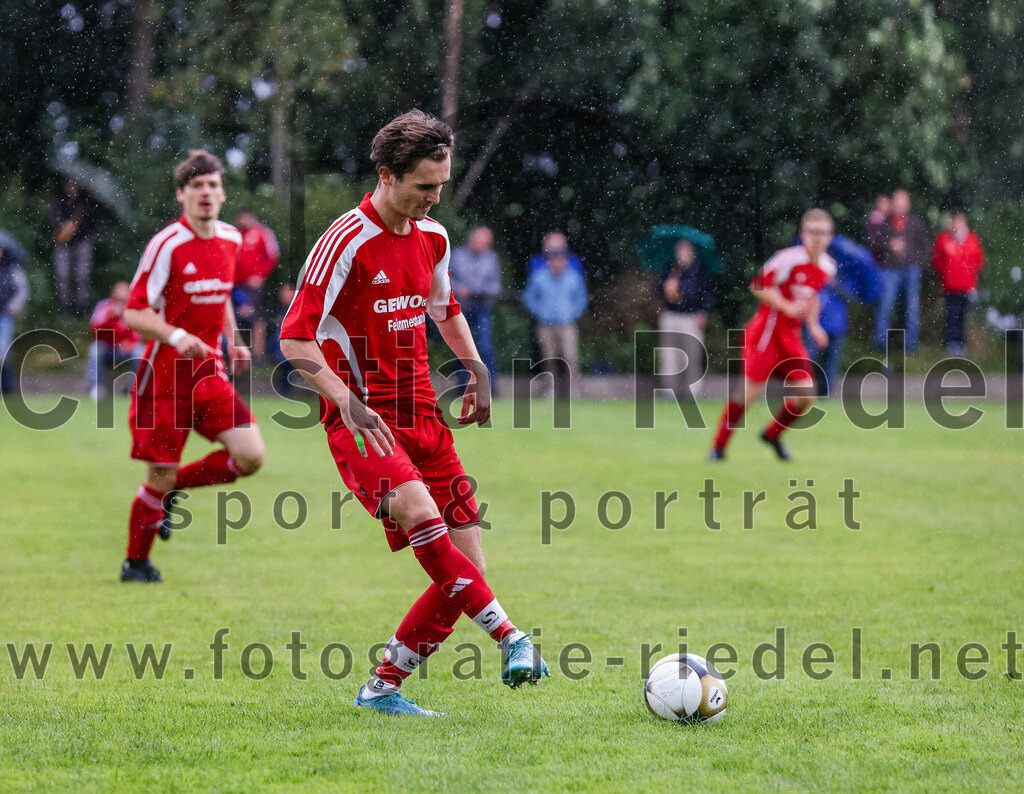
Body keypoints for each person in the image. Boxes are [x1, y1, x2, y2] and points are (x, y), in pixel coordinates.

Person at [280, 109, 549, 717]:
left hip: (424, 413)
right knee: (424, 519)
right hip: (364, 418)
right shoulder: (344, 242)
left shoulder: (434, 237)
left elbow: (444, 307)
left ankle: (381, 689)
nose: (434, 197)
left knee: (465, 571)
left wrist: (475, 368)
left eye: (441, 185)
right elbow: (294, 341)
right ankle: (512, 635)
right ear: (386, 175)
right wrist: (343, 400)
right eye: (424, 186)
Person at [120, 150, 265, 584]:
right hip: (164, 378)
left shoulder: (231, 240)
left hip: (210, 373)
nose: (206, 193)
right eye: (197, 186)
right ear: (182, 194)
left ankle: (172, 491)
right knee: (157, 475)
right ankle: (137, 564)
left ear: (222, 194)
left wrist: (235, 342)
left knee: (251, 455)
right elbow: (134, 312)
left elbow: (219, 295)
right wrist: (179, 337)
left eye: (213, 186)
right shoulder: (166, 244)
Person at [710, 209, 836, 461]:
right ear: (803, 234)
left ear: (830, 237)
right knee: (747, 395)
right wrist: (786, 306)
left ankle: (772, 434)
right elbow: (757, 285)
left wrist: (813, 326)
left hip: (791, 337)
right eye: (812, 232)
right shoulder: (787, 259)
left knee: (807, 395)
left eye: (822, 233)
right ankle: (719, 448)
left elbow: (811, 298)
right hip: (766, 334)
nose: (817, 238)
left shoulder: (827, 267)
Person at [522, 232, 588, 399]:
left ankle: (573, 389)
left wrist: (572, 313)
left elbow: (581, 299)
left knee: (570, 357)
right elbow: (529, 298)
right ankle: (551, 389)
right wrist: (540, 313)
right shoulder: (539, 277)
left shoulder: (573, 278)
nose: (557, 262)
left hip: (567, 324)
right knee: (548, 358)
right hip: (545, 325)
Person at [867, 189, 928, 354]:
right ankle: (881, 346)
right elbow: (873, 246)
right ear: (893, 203)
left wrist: (916, 261)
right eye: (898, 202)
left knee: (912, 308)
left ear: (908, 205)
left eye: (904, 202)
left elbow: (924, 246)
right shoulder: (883, 224)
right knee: (885, 306)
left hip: (911, 270)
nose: (901, 205)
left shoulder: (915, 223)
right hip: (889, 271)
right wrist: (889, 245)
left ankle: (911, 347)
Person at [658, 239, 714, 398]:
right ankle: (669, 391)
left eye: (685, 250)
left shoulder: (700, 270)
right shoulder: (670, 268)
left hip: (691, 317)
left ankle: (694, 391)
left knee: (692, 355)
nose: (681, 253)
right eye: (679, 250)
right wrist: (666, 288)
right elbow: (660, 291)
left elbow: (705, 294)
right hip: (671, 316)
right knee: (669, 355)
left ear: (691, 251)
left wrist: (702, 311)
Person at [449, 226, 501, 393]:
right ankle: (463, 386)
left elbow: (496, 286)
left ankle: (490, 387)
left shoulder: (491, 259)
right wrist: (459, 288)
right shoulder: (457, 255)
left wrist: (481, 290)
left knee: (485, 347)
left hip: (482, 308)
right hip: (461, 308)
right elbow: (446, 279)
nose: (481, 246)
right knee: (462, 348)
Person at [931, 211, 984, 356]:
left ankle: (960, 342)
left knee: (962, 315)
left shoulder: (972, 239)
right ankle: (952, 342)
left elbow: (978, 261)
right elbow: (936, 260)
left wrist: (971, 278)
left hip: (966, 286)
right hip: (950, 286)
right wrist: (947, 271)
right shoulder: (944, 239)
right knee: (952, 315)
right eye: (955, 221)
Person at [233, 208, 280, 360]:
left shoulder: (262, 232)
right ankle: (236, 353)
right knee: (235, 318)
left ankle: (257, 356)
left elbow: (272, 256)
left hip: (253, 286)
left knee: (255, 318)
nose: (243, 220)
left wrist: (260, 275)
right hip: (235, 285)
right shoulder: (233, 233)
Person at [86, 281, 146, 399]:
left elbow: (139, 331)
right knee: (95, 349)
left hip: (127, 349)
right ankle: (97, 388)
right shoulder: (104, 306)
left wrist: (131, 343)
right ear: (113, 294)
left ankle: (133, 389)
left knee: (140, 351)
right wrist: (111, 316)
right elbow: (94, 329)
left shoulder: (134, 308)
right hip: (108, 347)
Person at [48, 178, 98, 317]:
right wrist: (63, 224)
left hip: (82, 243)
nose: (72, 186)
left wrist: (82, 229)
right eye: (70, 183)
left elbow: (93, 222)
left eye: (75, 183)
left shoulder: (86, 202)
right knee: (63, 275)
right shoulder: (60, 201)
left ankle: (80, 307)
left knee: (81, 276)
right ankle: (65, 307)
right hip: (64, 243)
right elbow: (51, 218)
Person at [0, 237, 30, 394]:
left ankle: (6, 387)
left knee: (3, 352)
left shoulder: (12, 268)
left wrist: (12, 306)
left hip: (4, 315)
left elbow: (23, 291)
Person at [266, 282, 297, 395]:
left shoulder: (297, 308)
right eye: (284, 292)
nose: (285, 295)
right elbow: (269, 325)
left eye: (288, 292)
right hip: (279, 344)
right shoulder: (275, 307)